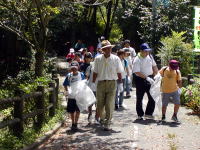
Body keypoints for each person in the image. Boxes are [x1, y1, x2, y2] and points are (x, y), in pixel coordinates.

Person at [92, 40, 124, 131]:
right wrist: (93, 83)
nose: (108, 50)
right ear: (103, 50)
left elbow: (119, 72)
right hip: (101, 83)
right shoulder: (98, 59)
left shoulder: (116, 59)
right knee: (100, 104)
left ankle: (107, 122)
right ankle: (102, 119)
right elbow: (95, 72)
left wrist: (120, 83)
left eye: (109, 48)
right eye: (106, 48)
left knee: (109, 104)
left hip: (112, 83)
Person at [132, 43, 158, 120]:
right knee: (140, 97)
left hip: (150, 78)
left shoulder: (150, 56)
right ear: (141, 51)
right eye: (145, 51)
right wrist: (146, 78)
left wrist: (157, 75)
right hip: (140, 79)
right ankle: (140, 114)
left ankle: (148, 113)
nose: (147, 53)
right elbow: (137, 72)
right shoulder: (137, 59)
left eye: (148, 51)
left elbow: (154, 66)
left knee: (152, 96)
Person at [63, 61, 85, 131]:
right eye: (73, 68)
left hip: (79, 95)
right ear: (71, 68)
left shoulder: (81, 74)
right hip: (71, 96)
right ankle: (73, 123)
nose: (74, 69)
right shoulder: (69, 75)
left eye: (75, 68)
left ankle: (76, 123)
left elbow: (84, 84)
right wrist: (67, 91)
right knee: (72, 111)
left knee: (78, 111)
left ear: (78, 67)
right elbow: (65, 84)